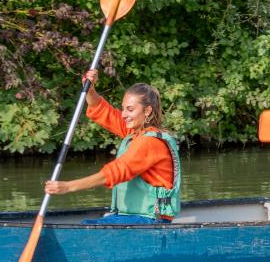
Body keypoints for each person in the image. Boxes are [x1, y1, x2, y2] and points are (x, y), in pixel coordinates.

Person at [44, 70, 182, 224]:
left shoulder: (150, 142)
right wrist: (89, 89)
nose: (123, 115)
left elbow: (117, 172)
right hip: (132, 217)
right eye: (123, 109)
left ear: (147, 111)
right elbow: (102, 111)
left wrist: (68, 187)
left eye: (130, 109)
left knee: (88, 228)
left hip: (150, 220)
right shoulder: (134, 132)